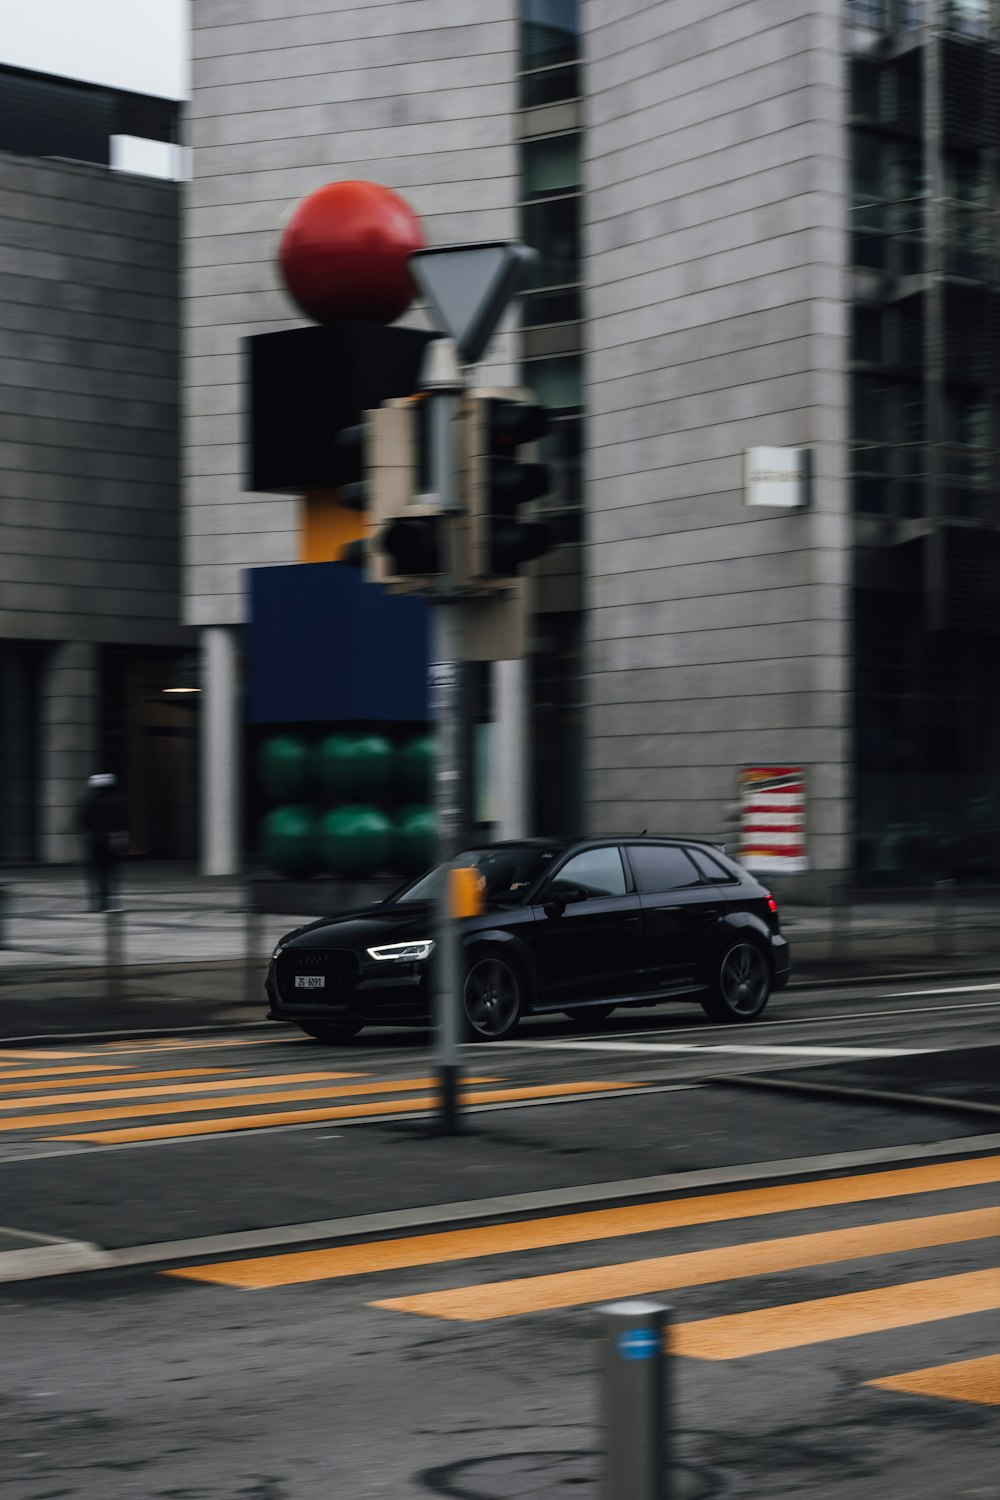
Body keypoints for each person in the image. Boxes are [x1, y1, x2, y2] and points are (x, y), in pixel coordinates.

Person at [76, 773, 128, 912]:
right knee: (112, 871)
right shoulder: (118, 799)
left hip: (95, 839)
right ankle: (112, 900)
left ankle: (97, 903)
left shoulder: (88, 800)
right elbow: (123, 821)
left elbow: (81, 820)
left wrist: (91, 831)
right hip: (114, 839)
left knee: (96, 871)